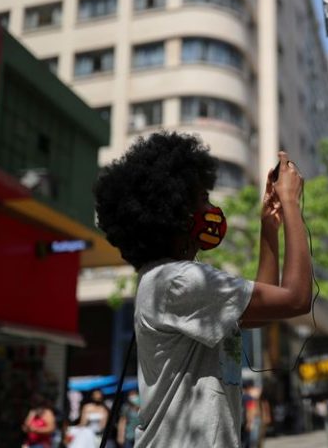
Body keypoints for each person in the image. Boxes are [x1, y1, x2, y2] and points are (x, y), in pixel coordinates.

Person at [93, 132, 311, 447]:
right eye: (203, 198)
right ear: (179, 215)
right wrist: (291, 202)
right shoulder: (179, 281)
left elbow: (260, 312)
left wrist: (269, 225)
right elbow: (296, 299)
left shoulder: (163, 280)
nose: (212, 207)